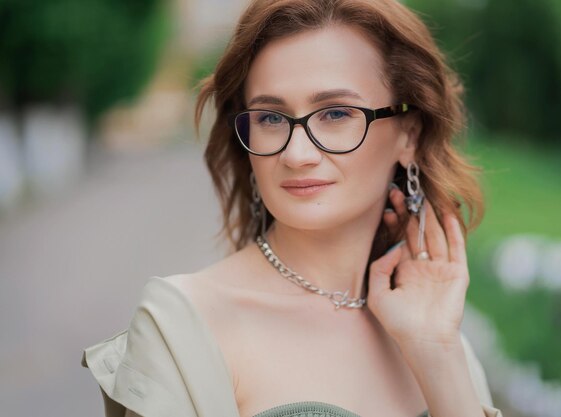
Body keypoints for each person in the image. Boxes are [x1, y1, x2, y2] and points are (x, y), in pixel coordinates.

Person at [81, 0, 504, 416]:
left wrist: (436, 352)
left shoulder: (443, 339)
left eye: (336, 113)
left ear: (408, 135)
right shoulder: (183, 327)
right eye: (270, 118)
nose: (297, 153)